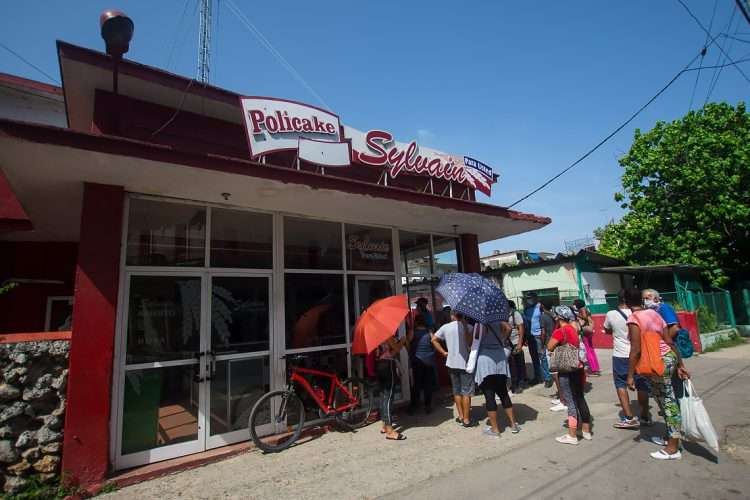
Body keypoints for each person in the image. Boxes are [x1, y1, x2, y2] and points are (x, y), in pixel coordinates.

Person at [625, 287, 690, 460]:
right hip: (668, 357)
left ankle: (673, 447)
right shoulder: (654, 314)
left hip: (656, 362)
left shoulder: (634, 318)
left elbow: (636, 350)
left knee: (668, 402)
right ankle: (670, 437)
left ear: (626, 302)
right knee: (664, 399)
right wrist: (680, 364)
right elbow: (669, 341)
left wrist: (630, 375)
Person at [604, 289, 651, 429]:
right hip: (640, 354)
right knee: (642, 384)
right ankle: (644, 416)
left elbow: (607, 330)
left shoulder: (611, 314)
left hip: (621, 355)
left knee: (620, 385)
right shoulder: (641, 313)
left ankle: (629, 417)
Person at [547, 305, 592, 445]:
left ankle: (572, 434)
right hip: (577, 367)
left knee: (570, 401)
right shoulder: (573, 329)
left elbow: (549, 347)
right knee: (580, 398)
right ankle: (586, 430)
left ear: (558, 317)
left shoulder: (560, 331)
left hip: (566, 369)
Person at [472, 320, 522, 438]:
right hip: (499, 357)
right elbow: (509, 328)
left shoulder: (479, 323)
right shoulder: (498, 320)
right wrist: (502, 339)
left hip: (485, 359)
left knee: (489, 395)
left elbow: (474, 341)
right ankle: (513, 425)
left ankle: (495, 429)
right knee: (503, 393)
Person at [432, 311, 475, 427]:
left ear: (452, 316)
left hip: (451, 362)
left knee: (456, 391)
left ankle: (461, 416)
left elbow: (433, 339)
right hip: (465, 363)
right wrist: (465, 326)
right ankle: (466, 419)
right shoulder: (469, 327)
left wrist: (443, 352)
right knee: (466, 392)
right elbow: (471, 343)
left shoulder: (445, 327)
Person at [376, 332, 409, 440]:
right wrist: (402, 341)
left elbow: (387, 352)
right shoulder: (386, 334)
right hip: (387, 366)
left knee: (383, 395)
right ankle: (390, 430)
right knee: (389, 396)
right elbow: (396, 349)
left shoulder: (375, 335)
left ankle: (384, 425)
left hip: (379, 364)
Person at [408, 314, 436, 415]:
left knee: (417, 384)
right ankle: (427, 405)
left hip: (417, 361)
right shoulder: (429, 332)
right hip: (429, 360)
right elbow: (434, 341)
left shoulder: (412, 332)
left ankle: (414, 406)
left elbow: (408, 343)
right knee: (427, 384)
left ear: (416, 322)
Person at [523, 293, 550, 386]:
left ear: (536, 298)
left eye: (530, 298)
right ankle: (538, 377)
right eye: (527, 298)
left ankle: (547, 378)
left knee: (542, 356)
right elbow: (526, 324)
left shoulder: (540, 307)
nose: (529, 300)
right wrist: (525, 337)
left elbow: (547, 319)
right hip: (530, 336)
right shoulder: (526, 309)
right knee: (534, 358)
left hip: (539, 336)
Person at [573, 299, 601, 376]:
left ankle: (593, 369)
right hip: (589, 331)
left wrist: (577, 315)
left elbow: (584, 317)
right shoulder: (586, 308)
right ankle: (596, 367)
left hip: (585, 331)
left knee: (588, 350)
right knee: (591, 349)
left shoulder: (582, 309)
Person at [507, 300, 526, 394]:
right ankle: (514, 384)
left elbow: (521, 328)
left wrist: (519, 343)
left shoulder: (515, 314)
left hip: (515, 341)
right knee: (511, 364)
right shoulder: (502, 314)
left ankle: (521, 383)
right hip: (507, 342)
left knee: (519, 363)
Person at [539, 300, 557, 389]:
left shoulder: (543, 316)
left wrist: (542, 345)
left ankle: (549, 379)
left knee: (546, 361)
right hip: (556, 340)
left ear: (543, 306)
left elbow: (543, 332)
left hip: (548, 342)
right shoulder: (554, 315)